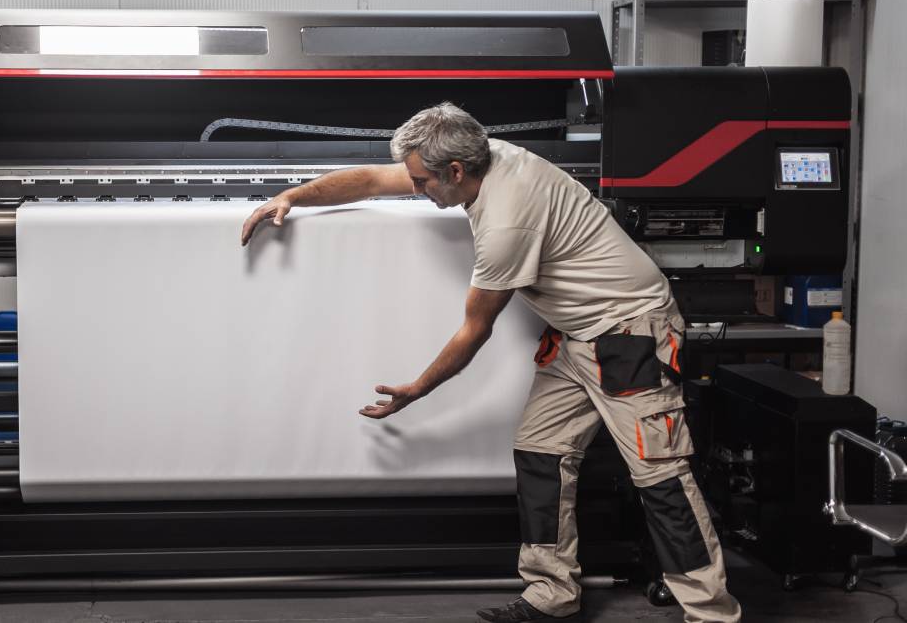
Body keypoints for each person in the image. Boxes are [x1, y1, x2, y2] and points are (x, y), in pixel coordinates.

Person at [239, 102, 741, 623]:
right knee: (540, 453)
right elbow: (370, 178)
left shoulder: (506, 223)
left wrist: (417, 389)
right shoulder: (483, 155)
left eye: (422, 183)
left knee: (659, 476)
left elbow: (475, 330)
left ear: (455, 172)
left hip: (629, 331)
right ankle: (553, 594)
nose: (415, 190)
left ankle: (711, 614)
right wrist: (291, 197)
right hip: (577, 335)